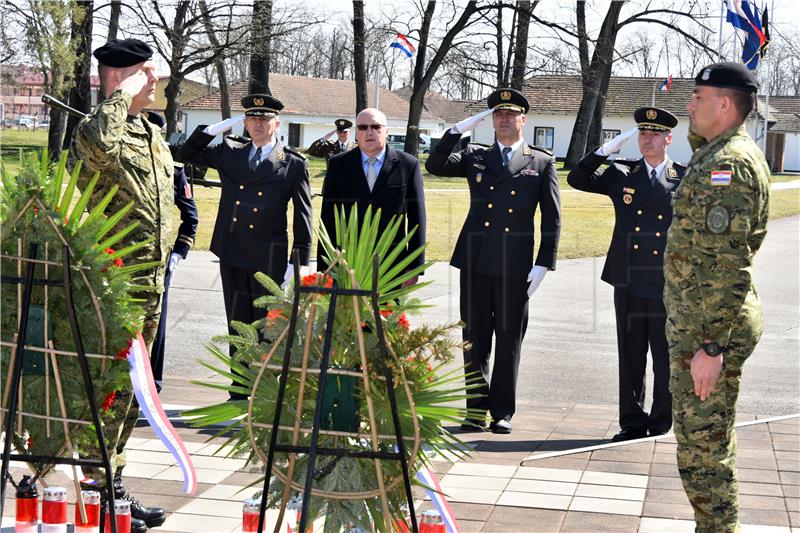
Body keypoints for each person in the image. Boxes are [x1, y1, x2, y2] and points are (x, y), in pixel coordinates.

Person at [664, 62, 770, 532]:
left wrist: (712, 347)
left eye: (699, 96)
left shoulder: (728, 164)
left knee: (704, 455)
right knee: (701, 447)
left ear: (724, 104)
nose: (689, 104)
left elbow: (726, 263)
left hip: (709, 333)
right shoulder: (716, 153)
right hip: (703, 327)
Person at [70, 38, 169, 532]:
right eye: (144, 74)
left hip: (150, 284)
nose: (155, 81)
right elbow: (97, 144)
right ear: (119, 78)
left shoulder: (148, 131)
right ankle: (98, 491)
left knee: (134, 393)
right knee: (109, 391)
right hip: (115, 283)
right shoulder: (96, 130)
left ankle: (112, 490)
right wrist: (117, 96)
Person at [426, 88, 561, 434]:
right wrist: (457, 129)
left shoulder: (541, 161)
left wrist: (544, 263)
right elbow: (435, 164)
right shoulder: (476, 156)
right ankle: (475, 410)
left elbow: (552, 218)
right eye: (497, 115)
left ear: (523, 120)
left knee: (508, 338)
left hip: (516, 264)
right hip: (475, 258)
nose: (503, 120)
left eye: (510, 114)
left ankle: (502, 411)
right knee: (474, 339)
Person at [178, 94, 312, 401]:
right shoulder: (231, 153)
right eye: (252, 119)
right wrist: (214, 128)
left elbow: (303, 215)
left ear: (277, 123)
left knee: (267, 323)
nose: (258, 126)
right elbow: (187, 152)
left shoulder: (291, 163)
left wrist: (299, 260)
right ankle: (239, 387)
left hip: (269, 255)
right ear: (244, 122)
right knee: (237, 320)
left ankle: (265, 388)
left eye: (265, 120)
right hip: (233, 250)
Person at [567, 107, 685, 442]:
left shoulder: (684, 176)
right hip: (629, 277)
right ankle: (632, 420)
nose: (647, 140)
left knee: (664, 356)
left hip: (666, 281)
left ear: (668, 138)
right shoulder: (620, 172)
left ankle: (661, 420)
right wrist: (604, 151)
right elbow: (577, 178)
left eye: (654, 134)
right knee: (631, 353)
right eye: (642, 134)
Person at [318, 108, 425, 279]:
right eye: (363, 127)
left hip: (391, 263)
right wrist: (325, 265)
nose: (369, 132)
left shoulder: (408, 165)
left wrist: (414, 266)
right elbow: (328, 217)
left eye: (376, 127)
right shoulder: (338, 165)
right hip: (346, 263)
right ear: (356, 133)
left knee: (388, 307)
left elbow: (417, 219)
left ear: (387, 132)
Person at [143, 111, 199, 394]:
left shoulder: (174, 170)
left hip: (158, 259)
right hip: (122, 254)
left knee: (156, 322)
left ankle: (153, 383)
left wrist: (178, 253)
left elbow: (191, 218)